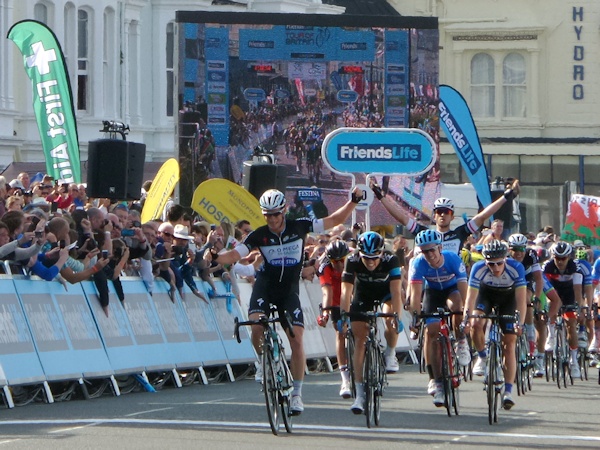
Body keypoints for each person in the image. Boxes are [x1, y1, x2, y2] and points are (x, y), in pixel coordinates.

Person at [204, 187, 363, 416]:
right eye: (267, 215)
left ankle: (297, 394)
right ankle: (263, 362)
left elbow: (335, 219)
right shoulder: (258, 235)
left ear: (284, 211)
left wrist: (354, 201)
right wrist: (215, 256)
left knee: (296, 340)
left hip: (289, 290)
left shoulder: (300, 226)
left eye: (275, 214)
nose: (271, 220)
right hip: (265, 287)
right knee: (256, 326)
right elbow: (234, 256)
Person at [340, 231, 403, 414]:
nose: (370, 262)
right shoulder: (351, 260)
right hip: (363, 295)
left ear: (382, 253)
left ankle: (390, 354)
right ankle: (359, 394)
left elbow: (397, 292)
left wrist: (396, 317)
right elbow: (346, 292)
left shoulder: (391, 260)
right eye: (366, 258)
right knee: (360, 339)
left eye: (374, 258)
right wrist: (344, 316)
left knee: (389, 317)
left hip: (386, 294)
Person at [370, 178, 520, 254]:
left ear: (452, 216)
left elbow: (482, 216)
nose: (442, 215)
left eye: (446, 212)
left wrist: (507, 196)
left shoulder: (459, 232)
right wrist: (380, 196)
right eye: (439, 212)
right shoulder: (425, 233)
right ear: (434, 216)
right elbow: (401, 217)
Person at [408, 229, 469, 408]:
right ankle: (436, 381)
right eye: (424, 251)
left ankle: (461, 342)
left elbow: (464, 290)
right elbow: (415, 295)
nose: (429, 255)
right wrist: (415, 317)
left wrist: (465, 314)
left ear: (440, 248)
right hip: (432, 293)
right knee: (431, 333)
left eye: (432, 250)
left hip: (452, 290)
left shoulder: (452, 259)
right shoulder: (419, 263)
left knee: (457, 307)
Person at [463, 240, 526, 410]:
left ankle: (508, 391)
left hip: (508, 299)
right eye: (491, 264)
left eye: (499, 263)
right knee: (476, 322)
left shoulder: (516, 268)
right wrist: (466, 319)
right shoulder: (478, 268)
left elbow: (521, 300)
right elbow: (470, 298)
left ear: (505, 259)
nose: (495, 268)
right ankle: (483, 357)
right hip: (486, 296)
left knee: (509, 343)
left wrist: (519, 323)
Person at [507, 233, 561, 377]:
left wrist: (536, 298)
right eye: (515, 249)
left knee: (527, 299)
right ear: (509, 249)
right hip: (510, 282)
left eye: (521, 249)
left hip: (527, 281)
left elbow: (538, 278)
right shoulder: (504, 257)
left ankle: (531, 336)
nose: (518, 253)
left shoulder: (531, 255)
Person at [543, 241, 586, 378]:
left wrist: (579, 308)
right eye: (557, 258)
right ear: (553, 257)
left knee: (571, 324)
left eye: (563, 258)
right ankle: (551, 334)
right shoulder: (547, 267)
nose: (560, 262)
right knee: (552, 306)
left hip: (570, 293)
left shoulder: (575, 267)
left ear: (569, 257)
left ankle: (574, 361)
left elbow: (578, 290)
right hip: (553, 291)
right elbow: (544, 288)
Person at [316, 239, 352, 398]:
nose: (338, 265)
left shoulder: (354, 260)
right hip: (336, 300)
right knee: (340, 333)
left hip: (353, 295)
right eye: (335, 262)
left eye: (341, 261)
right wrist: (325, 313)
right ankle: (345, 379)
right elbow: (327, 292)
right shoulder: (325, 266)